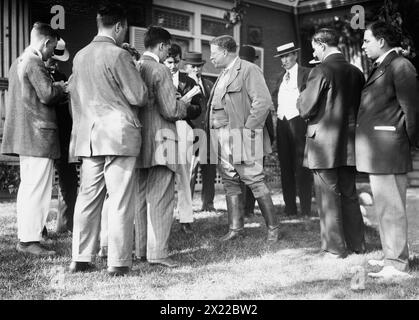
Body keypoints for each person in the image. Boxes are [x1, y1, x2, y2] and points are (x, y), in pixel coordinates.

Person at [67, 3, 148, 276]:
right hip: (119, 136)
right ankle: (118, 262)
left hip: (90, 136)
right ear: (118, 26)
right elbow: (139, 96)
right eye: (124, 28)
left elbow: (74, 99)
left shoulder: (79, 56)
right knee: (120, 200)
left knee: (87, 198)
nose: (124, 32)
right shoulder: (118, 55)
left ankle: (80, 257)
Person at [357, 21, 419, 279]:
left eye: (366, 40)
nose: (363, 45)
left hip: (389, 148)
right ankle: (391, 258)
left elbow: (412, 111)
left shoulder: (400, 66)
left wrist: (405, 143)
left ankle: (397, 265)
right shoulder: (385, 65)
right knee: (384, 206)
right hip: (380, 150)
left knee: (391, 207)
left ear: (381, 41)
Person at [297, 28, 366, 258]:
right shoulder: (357, 72)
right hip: (349, 144)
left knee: (328, 196)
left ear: (322, 45)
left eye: (315, 47)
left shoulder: (320, 71)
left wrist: (301, 92)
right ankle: (357, 245)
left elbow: (305, 108)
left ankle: (334, 249)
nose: (313, 52)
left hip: (323, 145)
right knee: (349, 193)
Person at [1, 22, 66, 256]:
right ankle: (29, 241)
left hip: (25, 135)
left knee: (28, 187)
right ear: (46, 42)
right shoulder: (34, 62)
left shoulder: (17, 61)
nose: (52, 53)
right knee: (37, 189)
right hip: (38, 135)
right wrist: (62, 88)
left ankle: (28, 236)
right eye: (52, 47)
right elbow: (47, 95)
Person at [207, 35, 279, 242]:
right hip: (221, 138)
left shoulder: (248, 69)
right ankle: (235, 229)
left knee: (254, 180)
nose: (211, 58)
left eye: (213, 54)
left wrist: (247, 131)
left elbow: (263, 102)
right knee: (230, 181)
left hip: (241, 136)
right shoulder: (223, 74)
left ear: (225, 51)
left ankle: (273, 229)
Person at [134, 26, 191, 268]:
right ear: (161, 46)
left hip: (138, 141)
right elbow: (170, 110)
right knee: (161, 198)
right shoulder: (160, 70)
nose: (169, 51)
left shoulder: (135, 66)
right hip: (162, 140)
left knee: (140, 198)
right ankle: (157, 254)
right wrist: (183, 105)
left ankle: (140, 250)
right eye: (168, 47)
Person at [272, 42, 313, 216]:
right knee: (285, 166)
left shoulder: (307, 73)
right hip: (282, 124)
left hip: (299, 122)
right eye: (282, 57)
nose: (285, 59)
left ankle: (305, 209)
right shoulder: (280, 77)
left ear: (295, 55)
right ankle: (290, 208)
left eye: (288, 55)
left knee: (302, 167)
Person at [164, 44, 201, 235]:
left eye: (177, 62)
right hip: (162, 129)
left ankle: (185, 218)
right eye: (169, 62)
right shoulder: (157, 76)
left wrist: (183, 106)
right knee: (163, 176)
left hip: (182, 127)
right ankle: (163, 217)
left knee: (184, 175)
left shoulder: (188, 81)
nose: (173, 66)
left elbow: (198, 109)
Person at [45, 38, 78, 235]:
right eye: (52, 59)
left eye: (57, 61)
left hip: (63, 136)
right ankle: (38, 229)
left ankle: (66, 223)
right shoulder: (37, 74)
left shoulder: (61, 75)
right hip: (44, 136)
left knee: (69, 182)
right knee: (41, 184)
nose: (54, 64)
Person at [238, 45, 275, 218]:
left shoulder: (241, 75)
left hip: (244, 131)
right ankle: (249, 209)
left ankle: (245, 209)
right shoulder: (256, 74)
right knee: (254, 173)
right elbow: (265, 110)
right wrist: (271, 135)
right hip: (256, 131)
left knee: (246, 173)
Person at [185, 51, 217, 212]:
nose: (196, 70)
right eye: (193, 66)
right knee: (191, 169)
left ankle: (208, 203)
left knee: (209, 169)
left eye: (199, 66)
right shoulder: (183, 84)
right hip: (192, 133)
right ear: (187, 67)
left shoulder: (209, 84)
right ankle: (187, 205)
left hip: (210, 133)